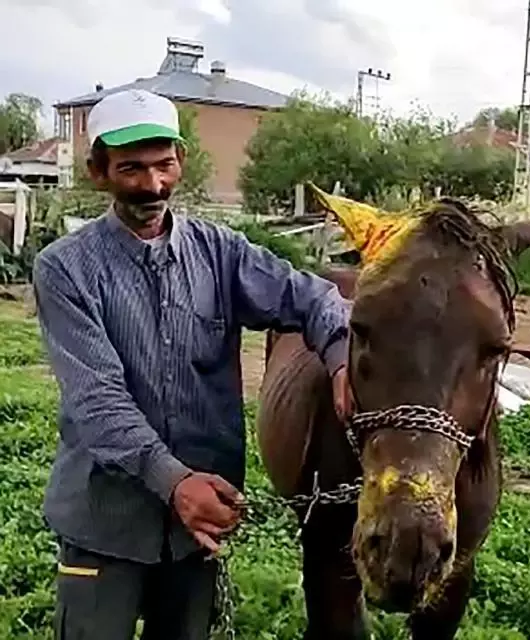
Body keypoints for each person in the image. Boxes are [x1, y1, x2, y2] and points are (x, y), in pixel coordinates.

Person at [33, 88, 353, 640]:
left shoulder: (222, 253)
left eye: (164, 165)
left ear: (181, 159)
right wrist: (175, 481)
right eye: (132, 168)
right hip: (104, 521)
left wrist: (344, 360)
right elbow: (98, 402)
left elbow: (314, 298)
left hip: (196, 532)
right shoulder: (65, 270)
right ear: (98, 171)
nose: (153, 185)